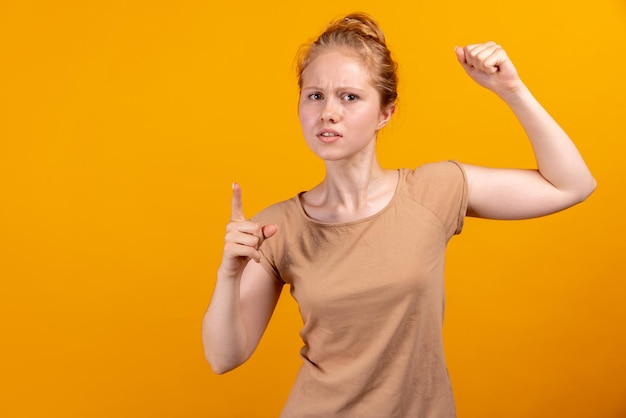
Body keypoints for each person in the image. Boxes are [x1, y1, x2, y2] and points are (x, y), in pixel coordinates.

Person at [201, 12, 596, 418]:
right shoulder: (278, 226)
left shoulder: (434, 191)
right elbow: (223, 357)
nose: (328, 113)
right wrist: (227, 275)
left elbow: (572, 185)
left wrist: (512, 90)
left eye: (350, 97)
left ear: (385, 112)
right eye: (315, 95)